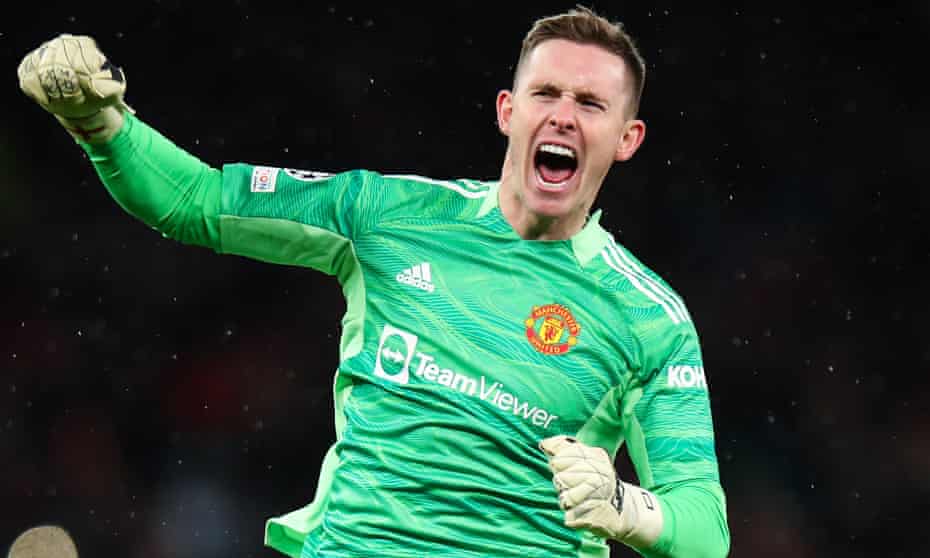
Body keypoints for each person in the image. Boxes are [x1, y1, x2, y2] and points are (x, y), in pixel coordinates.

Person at [17, 6, 730, 557]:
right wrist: (99, 121)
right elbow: (198, 202)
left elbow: (705, 527)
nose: (563, 116)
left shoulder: (648, 319)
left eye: (591, 103)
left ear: (627, 138)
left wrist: (625, 506)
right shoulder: (389, 215)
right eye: (545, 92)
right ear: (508, 111)